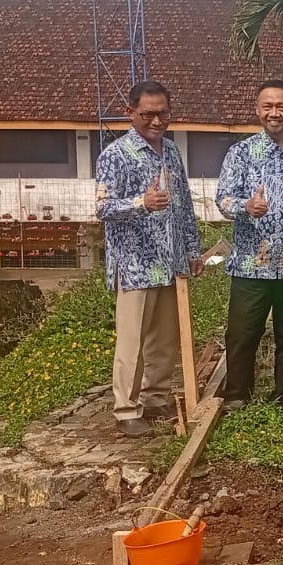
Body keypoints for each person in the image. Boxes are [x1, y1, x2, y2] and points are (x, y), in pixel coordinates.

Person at [95, 80, 202, 437]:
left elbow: (184, 205)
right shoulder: (116, 154)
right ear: (131, 113)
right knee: (132, 342)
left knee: (164, 339)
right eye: (147, 114)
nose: (156, 121)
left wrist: (192, 250)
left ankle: (155, 399)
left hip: (169, 262)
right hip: (135, 264)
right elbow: (103, 208)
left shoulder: (171, 152)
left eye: (163, 114)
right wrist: (141, 203)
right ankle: (126, 410)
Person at [214, 80, 283, 413]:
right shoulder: (241, 153)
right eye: (268, 106)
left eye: (281, 107)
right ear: (258, 109)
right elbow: (223, 199)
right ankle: (237, 394)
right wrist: (245, 207)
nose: (274, 113)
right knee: (242, 333)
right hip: (252, 262)